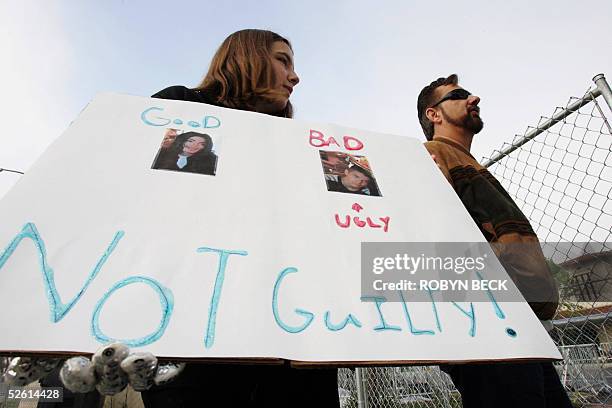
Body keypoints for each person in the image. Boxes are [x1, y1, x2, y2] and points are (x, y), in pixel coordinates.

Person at [146, 29, 339, 407]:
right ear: (246, 57)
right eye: (283, 60)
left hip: (292, 332)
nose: (295, 76)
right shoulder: (180, 104)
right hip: (192, 330)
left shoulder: (299, 144)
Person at [417, 74, 571, 408]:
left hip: (518, 324)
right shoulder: (432, 155)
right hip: (489, 324)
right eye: (458, 95)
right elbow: (432, 236)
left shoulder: (468, 163)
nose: (473, 99)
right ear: (434, 114)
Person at [152, 131, 217, 175]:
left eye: (202, 144)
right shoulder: (162, 154)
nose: (194, 145)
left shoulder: (210, 161)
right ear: (181, 141)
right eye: (191, 141)